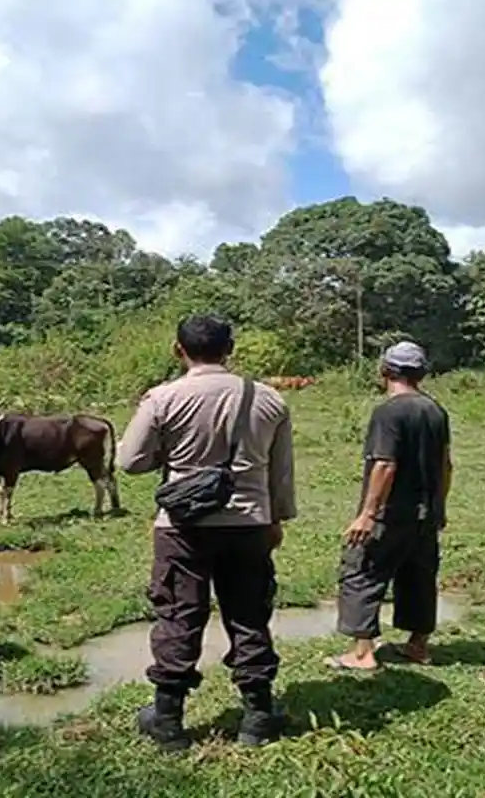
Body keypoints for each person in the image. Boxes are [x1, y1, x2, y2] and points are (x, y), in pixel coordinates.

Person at [117, 314, 297, 752]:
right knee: (249, 615)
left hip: (182, 527)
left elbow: (130, 462)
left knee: (178, 616)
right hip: (250, 524)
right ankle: (258, 718)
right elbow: (281, 472)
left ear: (178, 350)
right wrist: (277, 519)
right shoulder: (268, 399)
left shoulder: (163, 398)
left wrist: (169, 451)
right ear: (230, 349)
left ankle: (168, 721)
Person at [326, 340, 452, 670]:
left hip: (391, 513)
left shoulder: (388, 412)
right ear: (421, 374)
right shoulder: (435, 410)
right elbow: (446, 465)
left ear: (385, 371)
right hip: (425, 512)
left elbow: (385, 464)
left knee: (361, 570)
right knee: (419, 576)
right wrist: (439, 505)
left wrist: (368, 514)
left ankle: (362, 653)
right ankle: (418, 646)